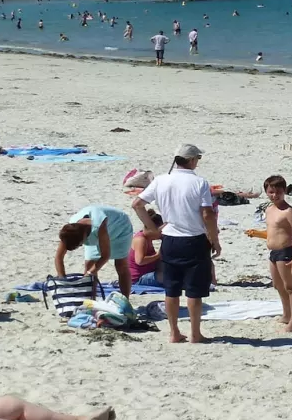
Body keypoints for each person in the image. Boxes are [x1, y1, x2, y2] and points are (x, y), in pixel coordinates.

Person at [130, 144, 220, 343]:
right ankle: (195, 333)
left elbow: (137, 204)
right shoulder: (199, 182)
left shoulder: (162, 180)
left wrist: (151, 228)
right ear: (191, 160)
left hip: (170, 240)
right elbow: (207, 214)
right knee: (194, 291)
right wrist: (214, 239)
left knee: (171, 290)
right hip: (194, 240)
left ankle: (174, 333)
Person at [56, 205, 136, 308]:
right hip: (93, 232)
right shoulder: (69, 230)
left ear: (84, 238)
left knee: (121, 265)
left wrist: (89, 274)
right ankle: (90, 302)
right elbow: (59, 257)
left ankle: (125, 303)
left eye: (80, 245)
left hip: (119, 227)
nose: (81, 246)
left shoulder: (99, 226)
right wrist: (62, 279)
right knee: (89, 264)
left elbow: (105, 256)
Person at [262, 175, 292, 332]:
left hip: (286, 252)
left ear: (284, 191)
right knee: (278, 285)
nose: (275, 195)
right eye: (271, 192)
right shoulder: (268, 209)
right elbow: (273, 231)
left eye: (278, 192)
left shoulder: (288, 211)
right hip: (273, 253)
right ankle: (287, 314)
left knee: (291, 288)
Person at [128, 209, 161, 287]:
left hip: (148, 272)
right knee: (170, 277)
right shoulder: (141, 240)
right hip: (138, 278)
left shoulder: (148, 238)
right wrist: (158, 255)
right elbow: (140, 261)